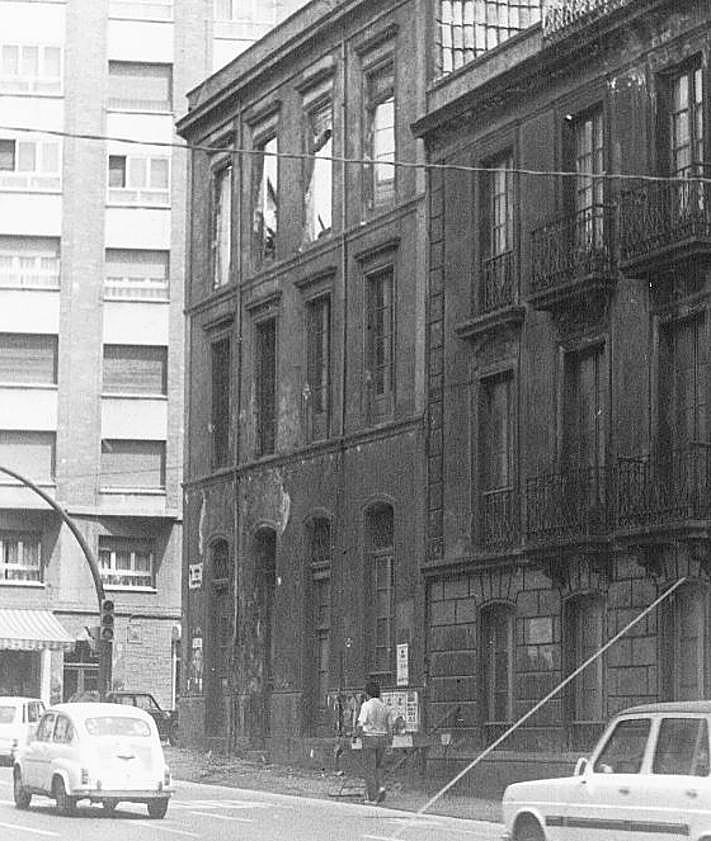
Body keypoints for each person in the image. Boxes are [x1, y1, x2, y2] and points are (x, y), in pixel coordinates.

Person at [355, 680, 390, 804]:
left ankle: (372, 797)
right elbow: (388, 725)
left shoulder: (366, 705)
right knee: (379, 767)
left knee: (369, 769)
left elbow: (361, 723)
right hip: (383, 738)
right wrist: (389, 741)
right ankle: (381, 787)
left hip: (369, 737)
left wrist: (356, 735)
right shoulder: (384, 706)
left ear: (367, 693)